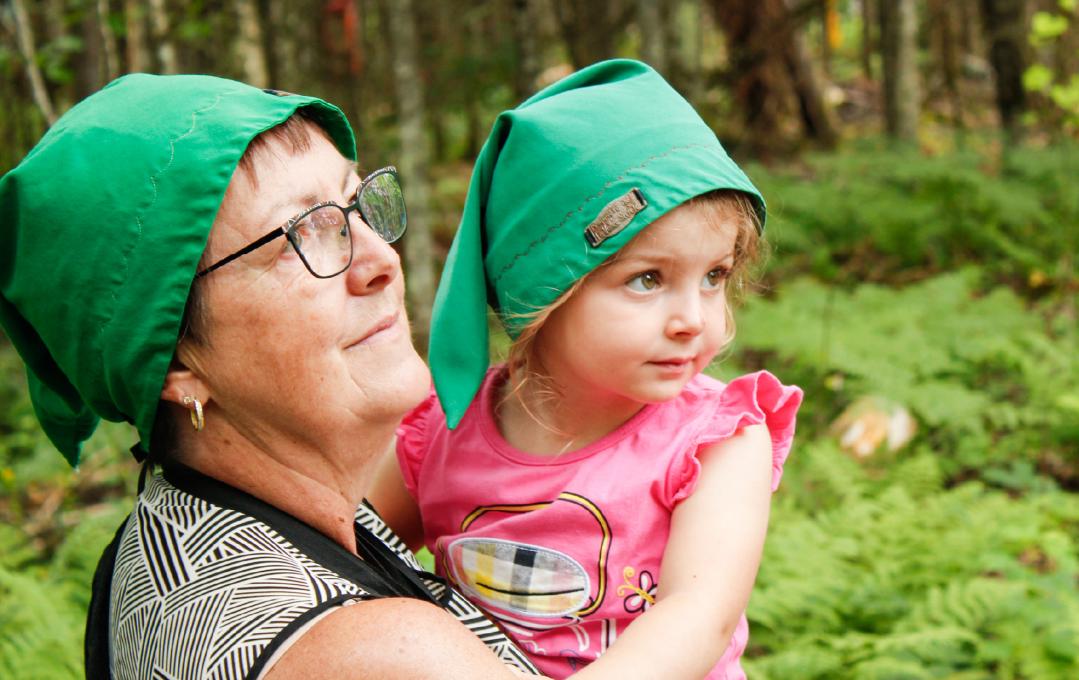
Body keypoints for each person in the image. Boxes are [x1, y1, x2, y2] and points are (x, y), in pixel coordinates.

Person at [0, 74, 541, 679]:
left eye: (355, 204)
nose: (380, 260)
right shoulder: (382, 656)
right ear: (175, 360)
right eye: (299, 234)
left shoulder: (167, 541)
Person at [369, 60, 804, 679]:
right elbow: (350, 553)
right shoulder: (441, 432)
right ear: (542, 291)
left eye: (714, 276)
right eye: (647, 279)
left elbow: (697, 614)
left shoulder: (716, 441)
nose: (693, 318)